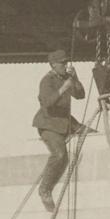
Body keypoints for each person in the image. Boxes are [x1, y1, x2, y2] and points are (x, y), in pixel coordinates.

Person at [34, 52, 87, 207]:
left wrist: (75, 79)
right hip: (49, 124)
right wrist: (64, 88)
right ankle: (44, 189)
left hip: (66, 121)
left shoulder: (65, 78)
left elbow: (80, 95)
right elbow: (47, 103)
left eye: (66, 63)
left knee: (91, 134)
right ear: (53, 65)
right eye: (62, 63)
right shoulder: (47, 81)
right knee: (59, 154)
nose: (65, 66)